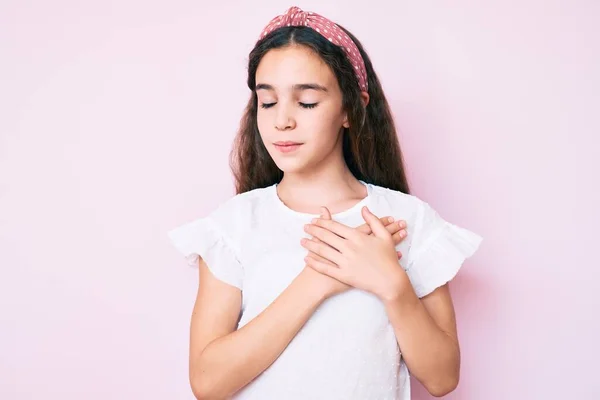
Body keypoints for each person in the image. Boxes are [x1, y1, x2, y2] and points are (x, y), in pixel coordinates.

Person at [168, 6, 483, 400]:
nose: (283, 120)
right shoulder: (233, 226)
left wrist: (391, 283)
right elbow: (208, 383)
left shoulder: (407, 221)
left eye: (307, 103)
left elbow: (442, 378)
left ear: (350, 108)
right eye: (268, 102)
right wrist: (317, 282)